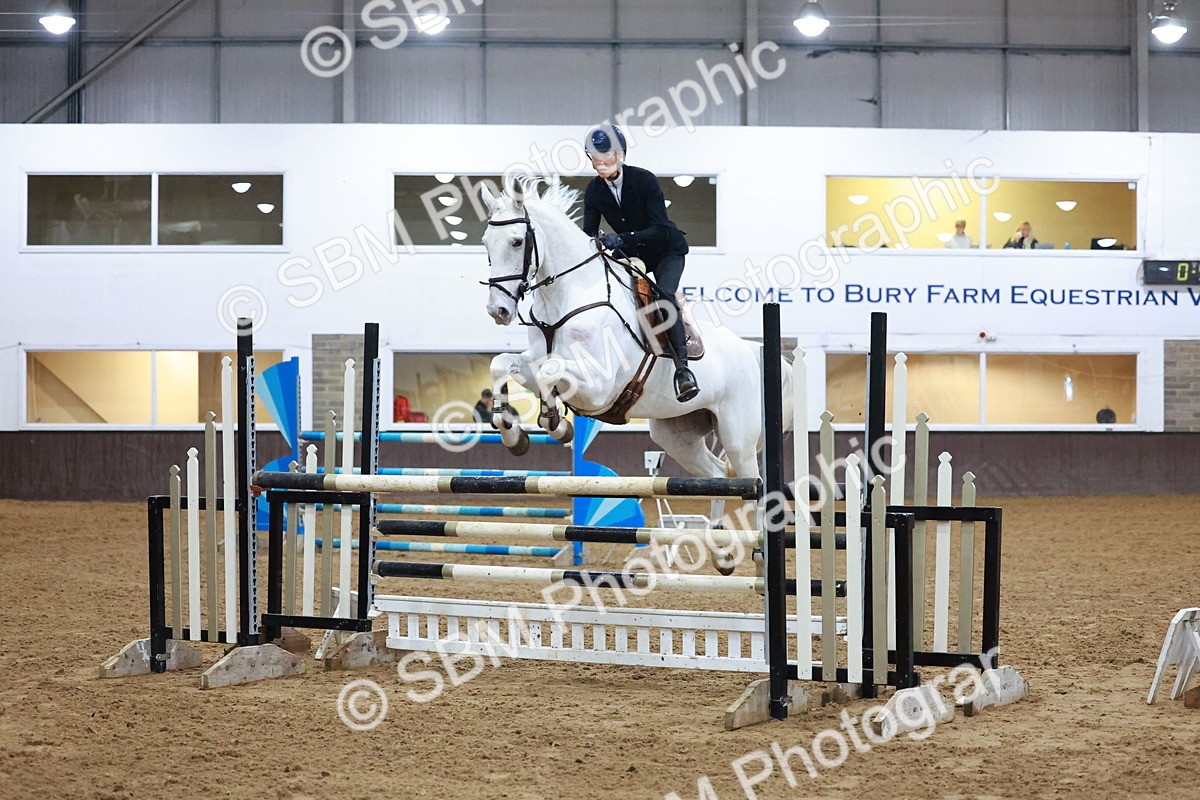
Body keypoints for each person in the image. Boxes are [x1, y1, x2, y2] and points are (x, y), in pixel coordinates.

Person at [581, 124, 698, 403]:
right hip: (632, 252)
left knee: (665, 295)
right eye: (595, 157)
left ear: (620, 155)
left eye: (606, 156)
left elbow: (659, 228)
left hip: (665, 248)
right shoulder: (594, 191)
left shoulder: (644, 180)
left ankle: (683, 371)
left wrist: (621, 239)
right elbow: (588, 234)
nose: (600, 163)